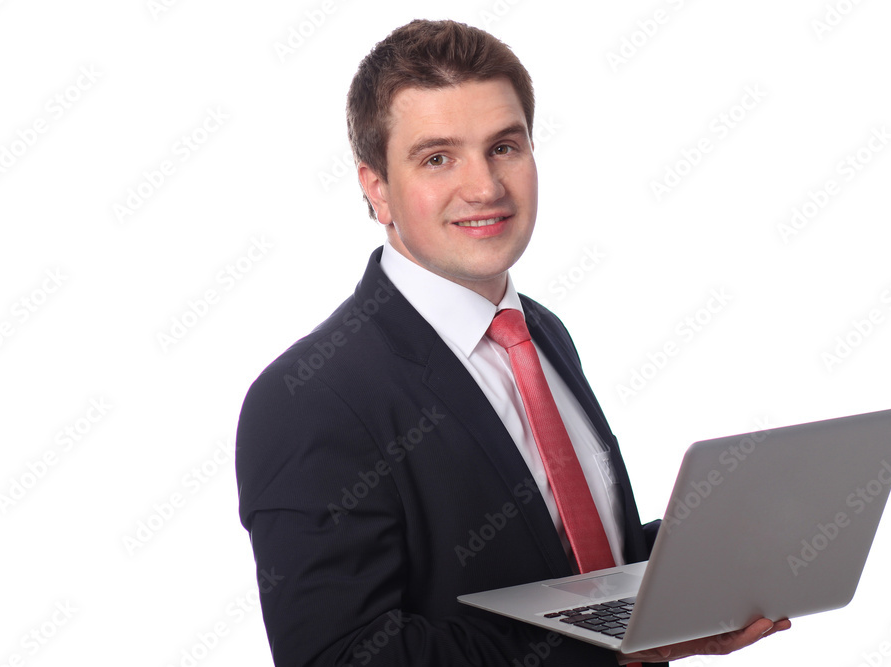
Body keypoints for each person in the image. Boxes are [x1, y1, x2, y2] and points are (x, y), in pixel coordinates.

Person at [236, 19, 790, 667]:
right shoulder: (309, 397)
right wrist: (605, 650)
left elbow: (564, 559)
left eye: (504, 147)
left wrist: (716, 561)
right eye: (438, 157)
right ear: (376, 187)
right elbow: (341, 654)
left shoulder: (540, 331)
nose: (485, 187)